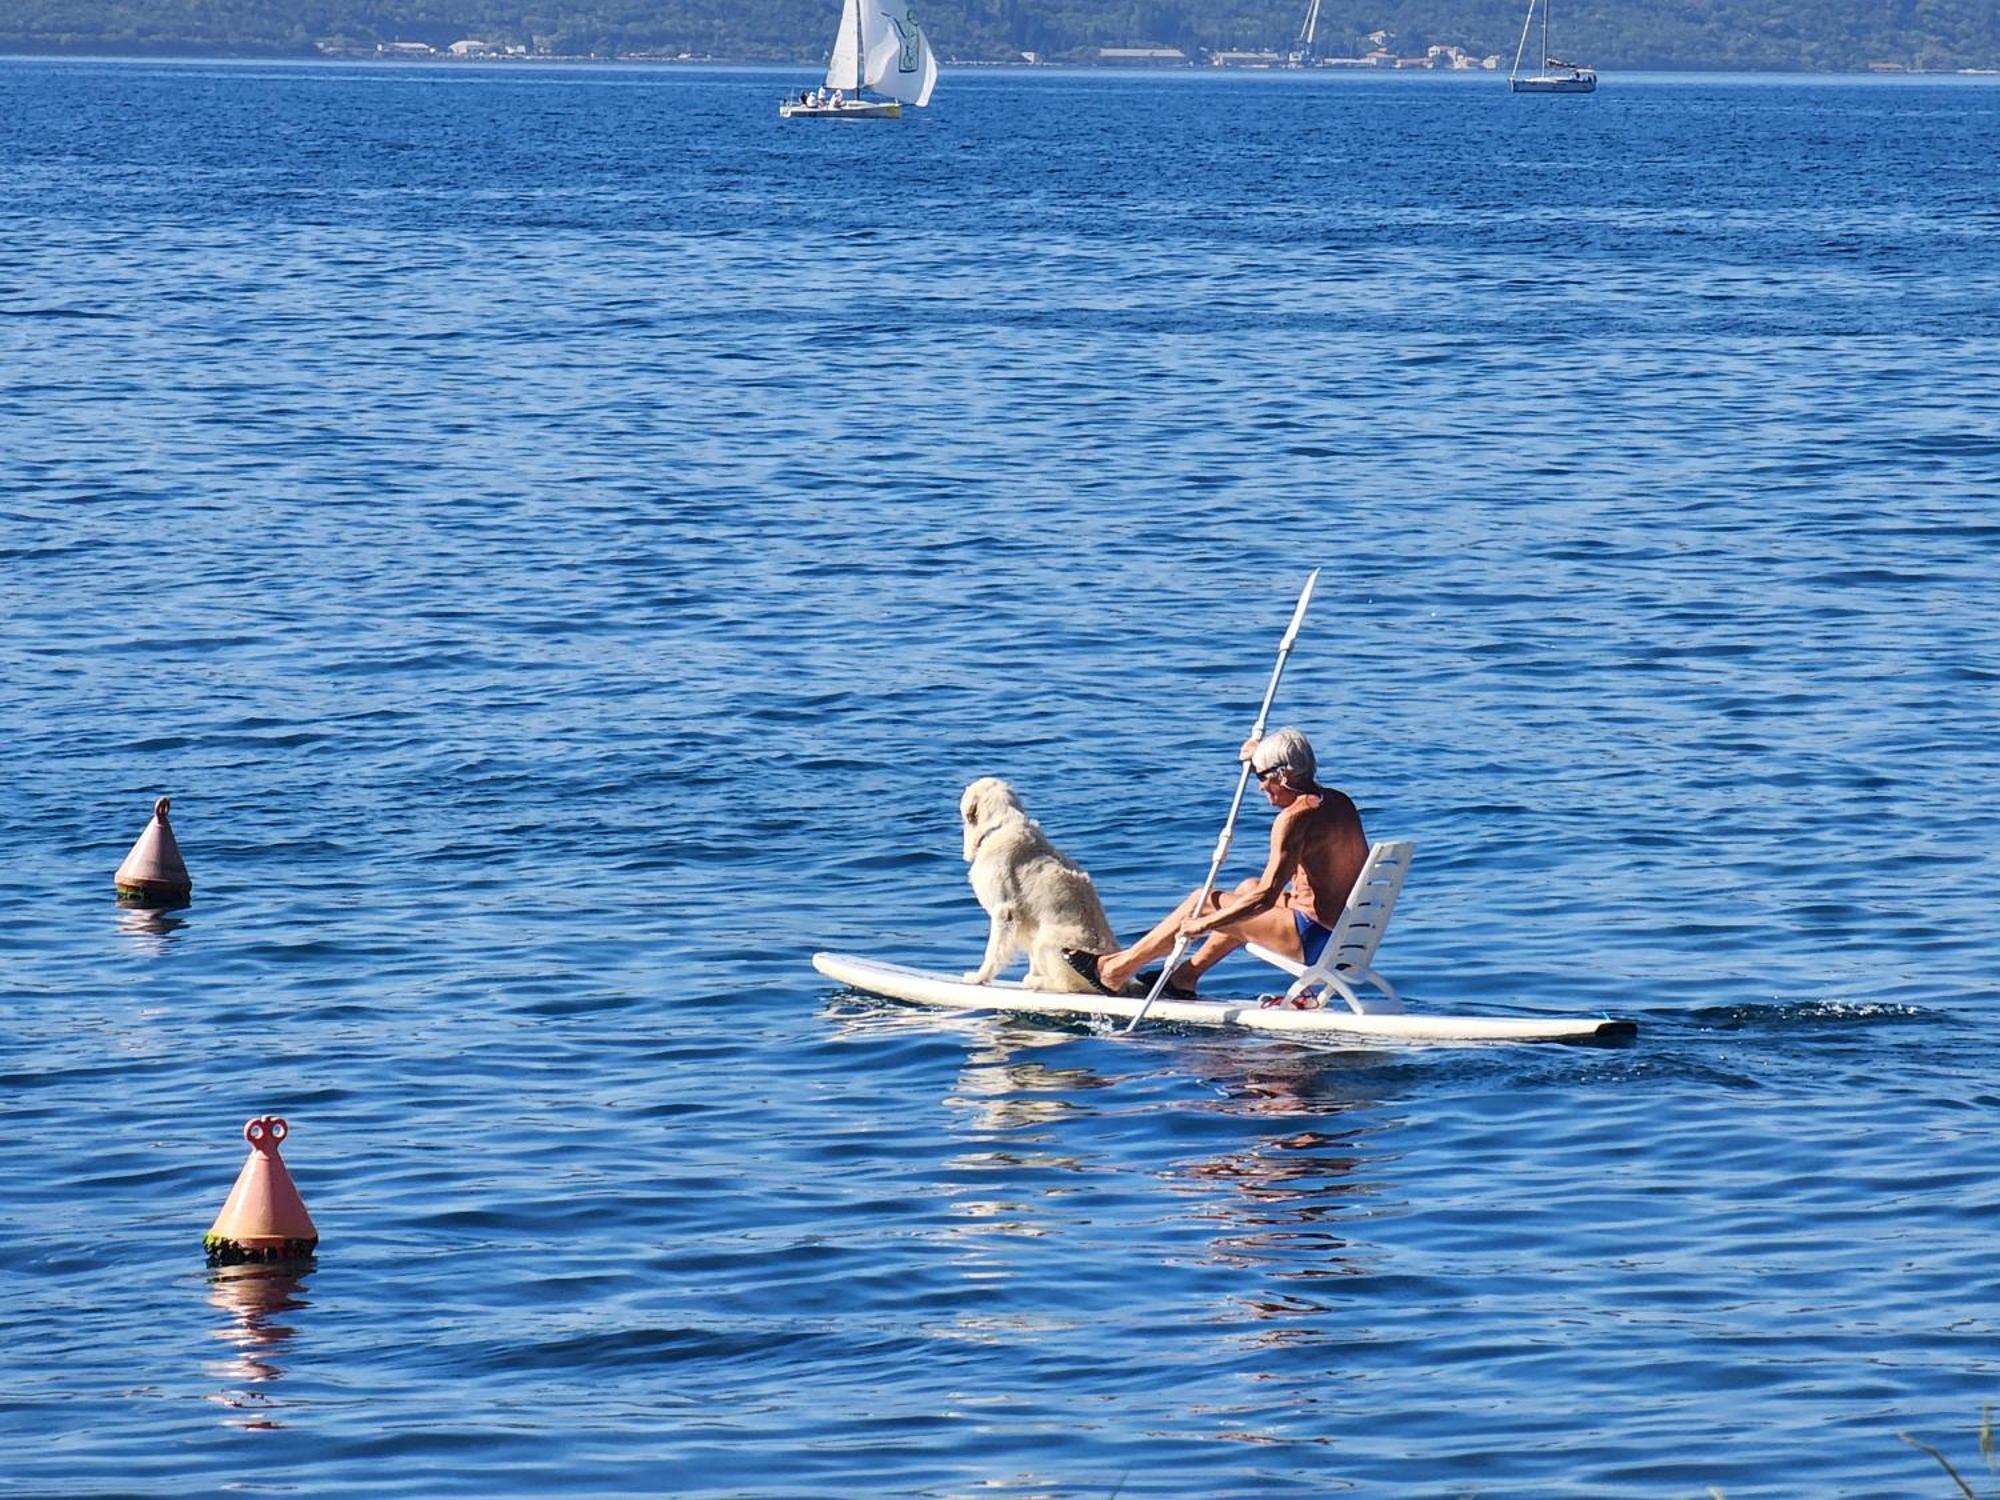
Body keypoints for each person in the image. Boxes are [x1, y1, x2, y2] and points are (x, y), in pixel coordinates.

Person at [1064, 727, 1368, 1000]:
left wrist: (1204, 923)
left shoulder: (1292, 819)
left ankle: (1114, 970)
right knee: (1246, 886)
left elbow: (1266, 898)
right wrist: (1259, 756)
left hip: (1315, 942)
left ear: (1283, 776)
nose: (1260, 787)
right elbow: (1260, 891)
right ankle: (1185, 977)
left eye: (1262, 777)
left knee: (1204, 901)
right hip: (1349, 937)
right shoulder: (1339, 801)